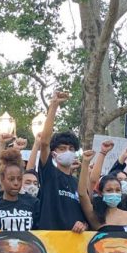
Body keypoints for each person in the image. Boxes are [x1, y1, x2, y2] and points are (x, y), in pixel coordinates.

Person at [35, 91, 87, 232]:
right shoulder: (49, 174)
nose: (67, 152)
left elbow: (87, 217)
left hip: (72, 246)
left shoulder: (78, 184)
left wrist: (84, 225)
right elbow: (45, 142)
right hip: (50, 242)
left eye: (71, 149)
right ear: (54, 154)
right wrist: (54, 106)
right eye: (62, 148)